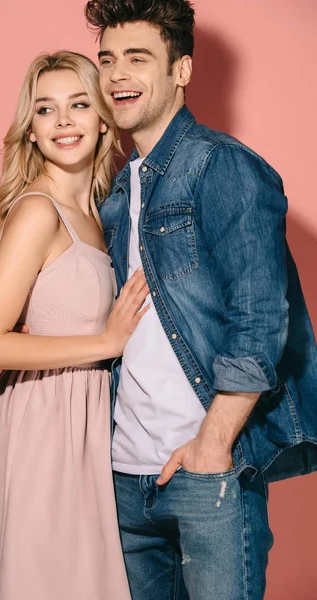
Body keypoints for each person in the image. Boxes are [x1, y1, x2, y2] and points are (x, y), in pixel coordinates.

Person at [84, 1, 317, 599]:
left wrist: (214, 443)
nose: (117, 76)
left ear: (181, 70)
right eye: (107, 60)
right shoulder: (117, 187)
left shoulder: (224, 167)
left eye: (138, 59)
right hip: (122, 473)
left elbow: (261, 318)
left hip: (204, 471)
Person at [0, 51, 149, 600]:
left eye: (78, 105)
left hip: (80, 427)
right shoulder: (38, 211)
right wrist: (107, 342)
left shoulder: (99, 214)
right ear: (32, 130)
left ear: (102, 119)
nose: (64, 121)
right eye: (46, 109)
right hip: (40, 429)